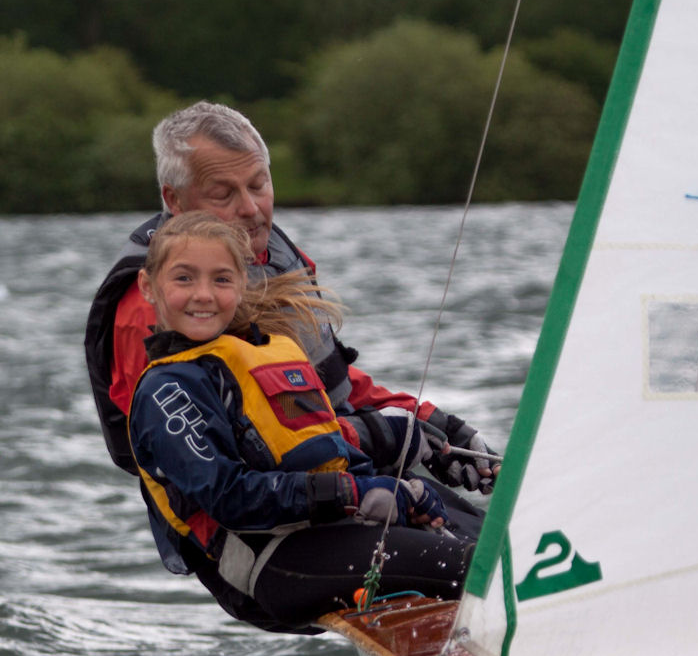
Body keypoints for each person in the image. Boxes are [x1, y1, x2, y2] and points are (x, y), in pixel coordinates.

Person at [84, 101, 498, 505]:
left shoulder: (273, 256)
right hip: (259, 527)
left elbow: (322, 380)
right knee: (463, 561)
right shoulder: (156, 308)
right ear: (174, 201)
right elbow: (221, 465)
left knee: (492, 539)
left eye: (258, 184)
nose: (250, 209)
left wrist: (428, 421)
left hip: (344, 477)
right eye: (223, 194)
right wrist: (378, 435)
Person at [129, 212, 473, 633]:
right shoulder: (167, 391)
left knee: (499, 546)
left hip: (334, 529)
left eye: (221, 280)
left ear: (241, 284)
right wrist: (355, 493)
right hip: (277, 561)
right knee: (478, 569)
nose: (203, 294)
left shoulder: (270, 353)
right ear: (149, 287)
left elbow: (317, 445)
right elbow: (229, 495)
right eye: (184, 279)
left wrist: (396, 449)